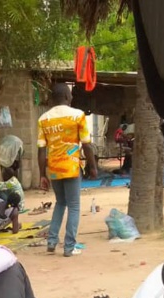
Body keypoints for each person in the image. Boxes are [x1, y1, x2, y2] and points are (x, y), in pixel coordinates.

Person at [37, 83, 97, 257]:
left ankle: (51, 242)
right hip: (71, 167)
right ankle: (69, 247)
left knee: (60, 203)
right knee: (74, 206)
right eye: (70, 95)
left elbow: (41, 150)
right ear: (66, 96)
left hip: (54, 168)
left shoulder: (44, 119)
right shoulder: (78, 115)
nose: (72, 98)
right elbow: (87, 145)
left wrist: (42, 174)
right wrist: (92, 166)